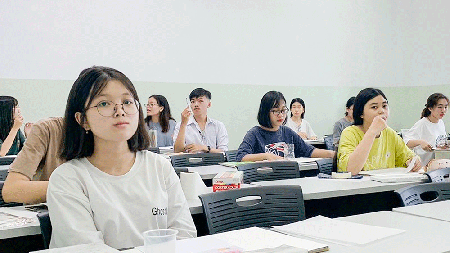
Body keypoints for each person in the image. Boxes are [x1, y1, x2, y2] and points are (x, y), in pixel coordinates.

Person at [47, 66, 196, 249]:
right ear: (82, 120)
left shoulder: (159, 166)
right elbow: (87, 249)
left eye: (127, 102)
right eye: (104, 104)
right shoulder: (67, 179)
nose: (120, 111)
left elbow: (185, 233)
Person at [337, 88, 422, 175]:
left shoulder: (390, 133)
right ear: (361, 113)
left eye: (384, 106)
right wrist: (372, 132)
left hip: (385, 186)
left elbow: (408, 157)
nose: (382, 111)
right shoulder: (349, 133)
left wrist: (413, 162)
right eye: (374, 107)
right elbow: (351, 169)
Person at [236, 91, 334, 162]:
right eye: (276, 111)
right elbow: (241, 157)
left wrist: (332, 154)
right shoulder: (255, 133)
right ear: (265, 112)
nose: (281, 115)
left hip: (289, 178)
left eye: (283, 110)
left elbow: (309, 151)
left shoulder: (287, 132)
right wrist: (265, 156)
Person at [2, 117, 64, 204]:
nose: (18, 111)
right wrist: (14, 129)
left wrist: (29, 137)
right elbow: (2, 153)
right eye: (15, 107)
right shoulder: (49, 128)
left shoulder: (19, 132)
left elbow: (25, 145)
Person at [173, 88, 228, 153]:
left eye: (200, 101)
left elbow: (224, 151)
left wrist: (205, 148)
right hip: (190, 161)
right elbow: (177, 150)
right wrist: (183, 124)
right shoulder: (181, 125)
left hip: (213, 161)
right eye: (193, 102)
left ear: (209, 104)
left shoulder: (218, 125)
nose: (196, 104)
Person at [403, 93, 449, 166]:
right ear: (430, 108)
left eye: (446, 107)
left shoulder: (441, 123)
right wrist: (420, 142)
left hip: (436, 165)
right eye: (440, 107)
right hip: (422, 167)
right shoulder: (422, 123)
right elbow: (405, 143)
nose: (443, 110)